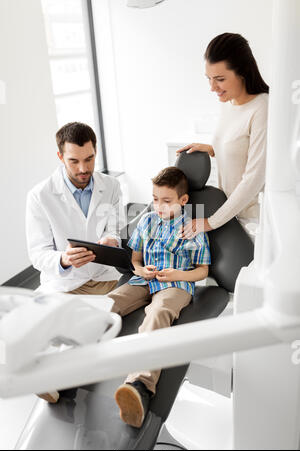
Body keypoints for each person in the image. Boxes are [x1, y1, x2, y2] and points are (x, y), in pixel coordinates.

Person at [26, 122, 125, 403]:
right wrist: (63, 259)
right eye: (74, 161)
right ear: (60, 157)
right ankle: (48, 374)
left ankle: (54, 375)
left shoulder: (112, 186)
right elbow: (37, 253)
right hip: (64, 281)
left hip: (104, 276)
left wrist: (110, 241)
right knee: (35, 325)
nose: (83, 168)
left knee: (93, 323)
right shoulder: (40, 196)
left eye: (89, 159)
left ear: (96, 152)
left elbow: (114, 229)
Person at [108, 166, 211, 428]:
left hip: (176, 285)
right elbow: (135, 258)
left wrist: (178, 273)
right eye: (155, 199)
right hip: (145, 280)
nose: (159, 206)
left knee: (158, 313)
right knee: (108, 304)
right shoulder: (147, 221)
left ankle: (139, 387)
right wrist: (141, 270)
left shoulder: (193, 226)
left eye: (166, 201)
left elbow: (202, 271)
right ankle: (64, 367)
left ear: (183, 201)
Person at [178, 33, 269, 241]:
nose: (212, 87)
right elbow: (240, 148)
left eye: (219, 79)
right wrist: (213, 149)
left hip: (252, 222)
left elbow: (254, 178)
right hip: (227, 214)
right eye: (209, 79)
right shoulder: (229, 103)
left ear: (243, 72)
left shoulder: (262, 107)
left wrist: (210, 222)